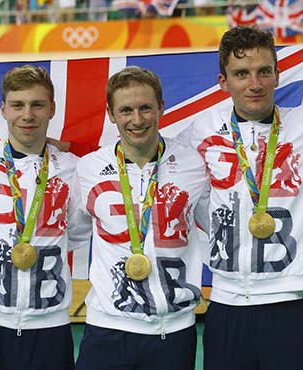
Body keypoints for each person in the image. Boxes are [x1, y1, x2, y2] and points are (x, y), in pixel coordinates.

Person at [189, 25, 303, 370]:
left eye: (264, 71)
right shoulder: (200, 130)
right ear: (224, 82)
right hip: (226, 303)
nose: (255, 84)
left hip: (293, 301)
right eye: (242, 74)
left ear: (278, 76)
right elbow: (143, 160)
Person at [72, 65, 209, 370]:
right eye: (126, 110)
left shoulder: (193, 163)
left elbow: (216, 228)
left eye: (146, 108)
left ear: (161, 107)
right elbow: (70, 232)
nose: (137, 120)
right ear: (111, 113)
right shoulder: (88, 168)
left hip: (172, 331)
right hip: (106, 326)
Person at [0, 64, 90, 370]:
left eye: (37, 105)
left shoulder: (72, 169)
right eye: (17, 105)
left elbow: (75, 234)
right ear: (3, 109)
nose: (27, 115)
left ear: (52, 109)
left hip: (48, 325)